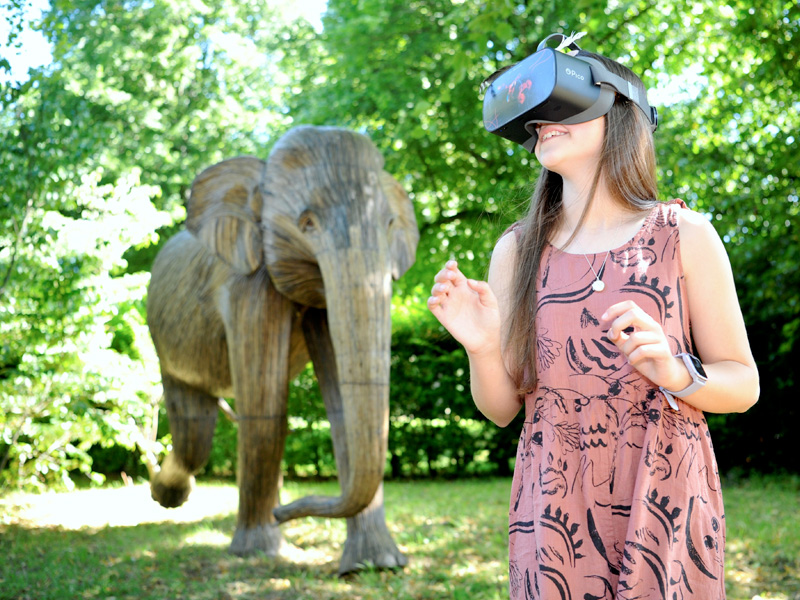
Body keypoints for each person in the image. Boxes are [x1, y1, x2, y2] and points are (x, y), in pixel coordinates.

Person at [427, 38, 759, 599]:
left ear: (619, 112)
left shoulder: (685, 236)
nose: (541, 123)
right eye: (535, 118)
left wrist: (677, 372)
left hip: (665, 498)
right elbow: (502, 409)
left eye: (561, 104)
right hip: (554, 507)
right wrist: (481, 348)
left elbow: (744, 384)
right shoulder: (516, 251)